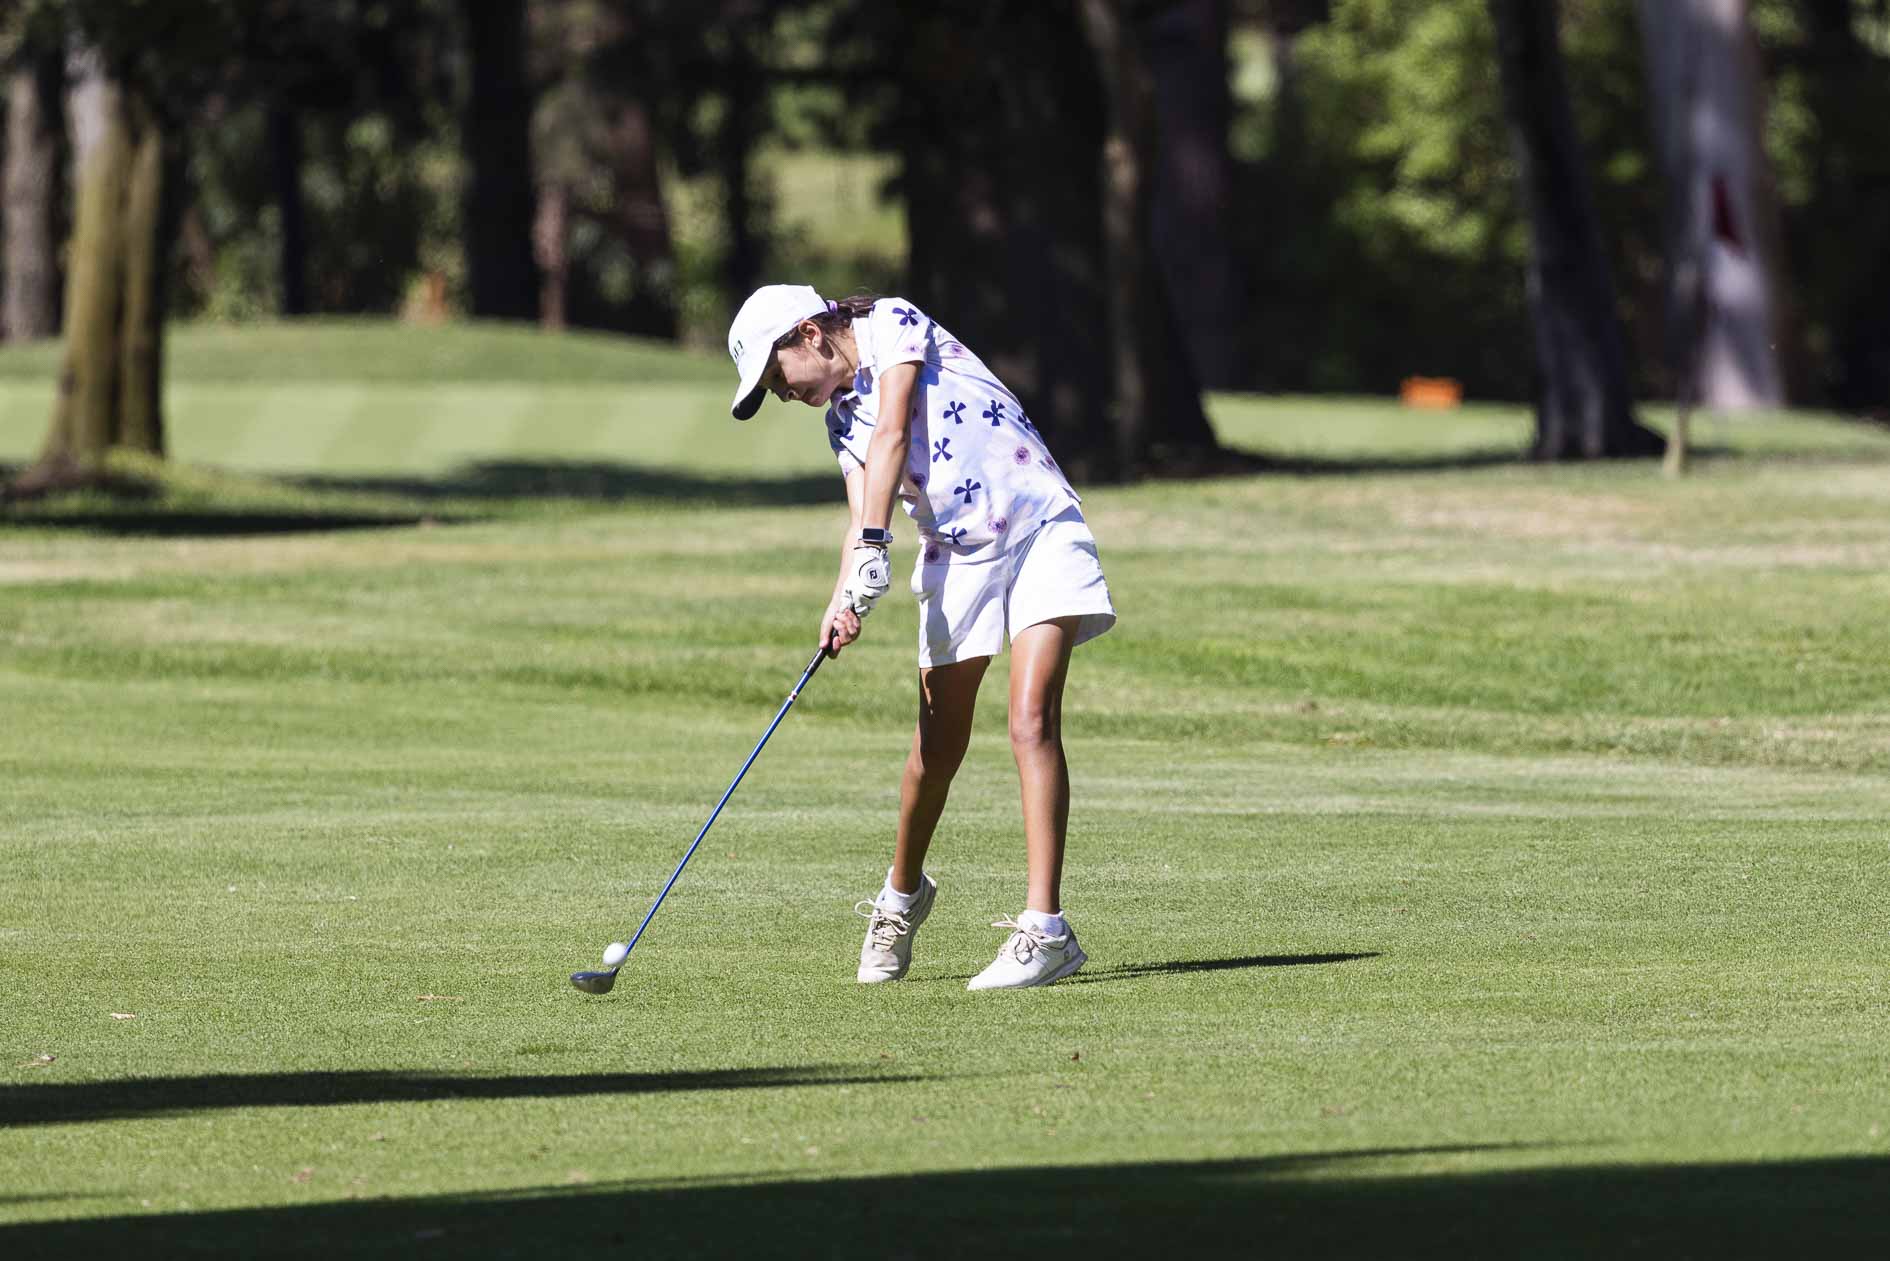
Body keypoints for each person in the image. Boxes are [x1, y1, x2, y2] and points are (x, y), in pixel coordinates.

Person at [726, 284, 1116, 990]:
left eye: (775, 375)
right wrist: (842, 598)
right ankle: (901, 897)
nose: (779, 393)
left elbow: (895, 434)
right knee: (935, 750)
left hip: (1037, 523)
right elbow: (860, 516)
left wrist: (877, 542)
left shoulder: (893, 322)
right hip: (957, 558)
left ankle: (1046, 930)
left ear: (809, 333)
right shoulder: (840, 421)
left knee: (1031, 719)